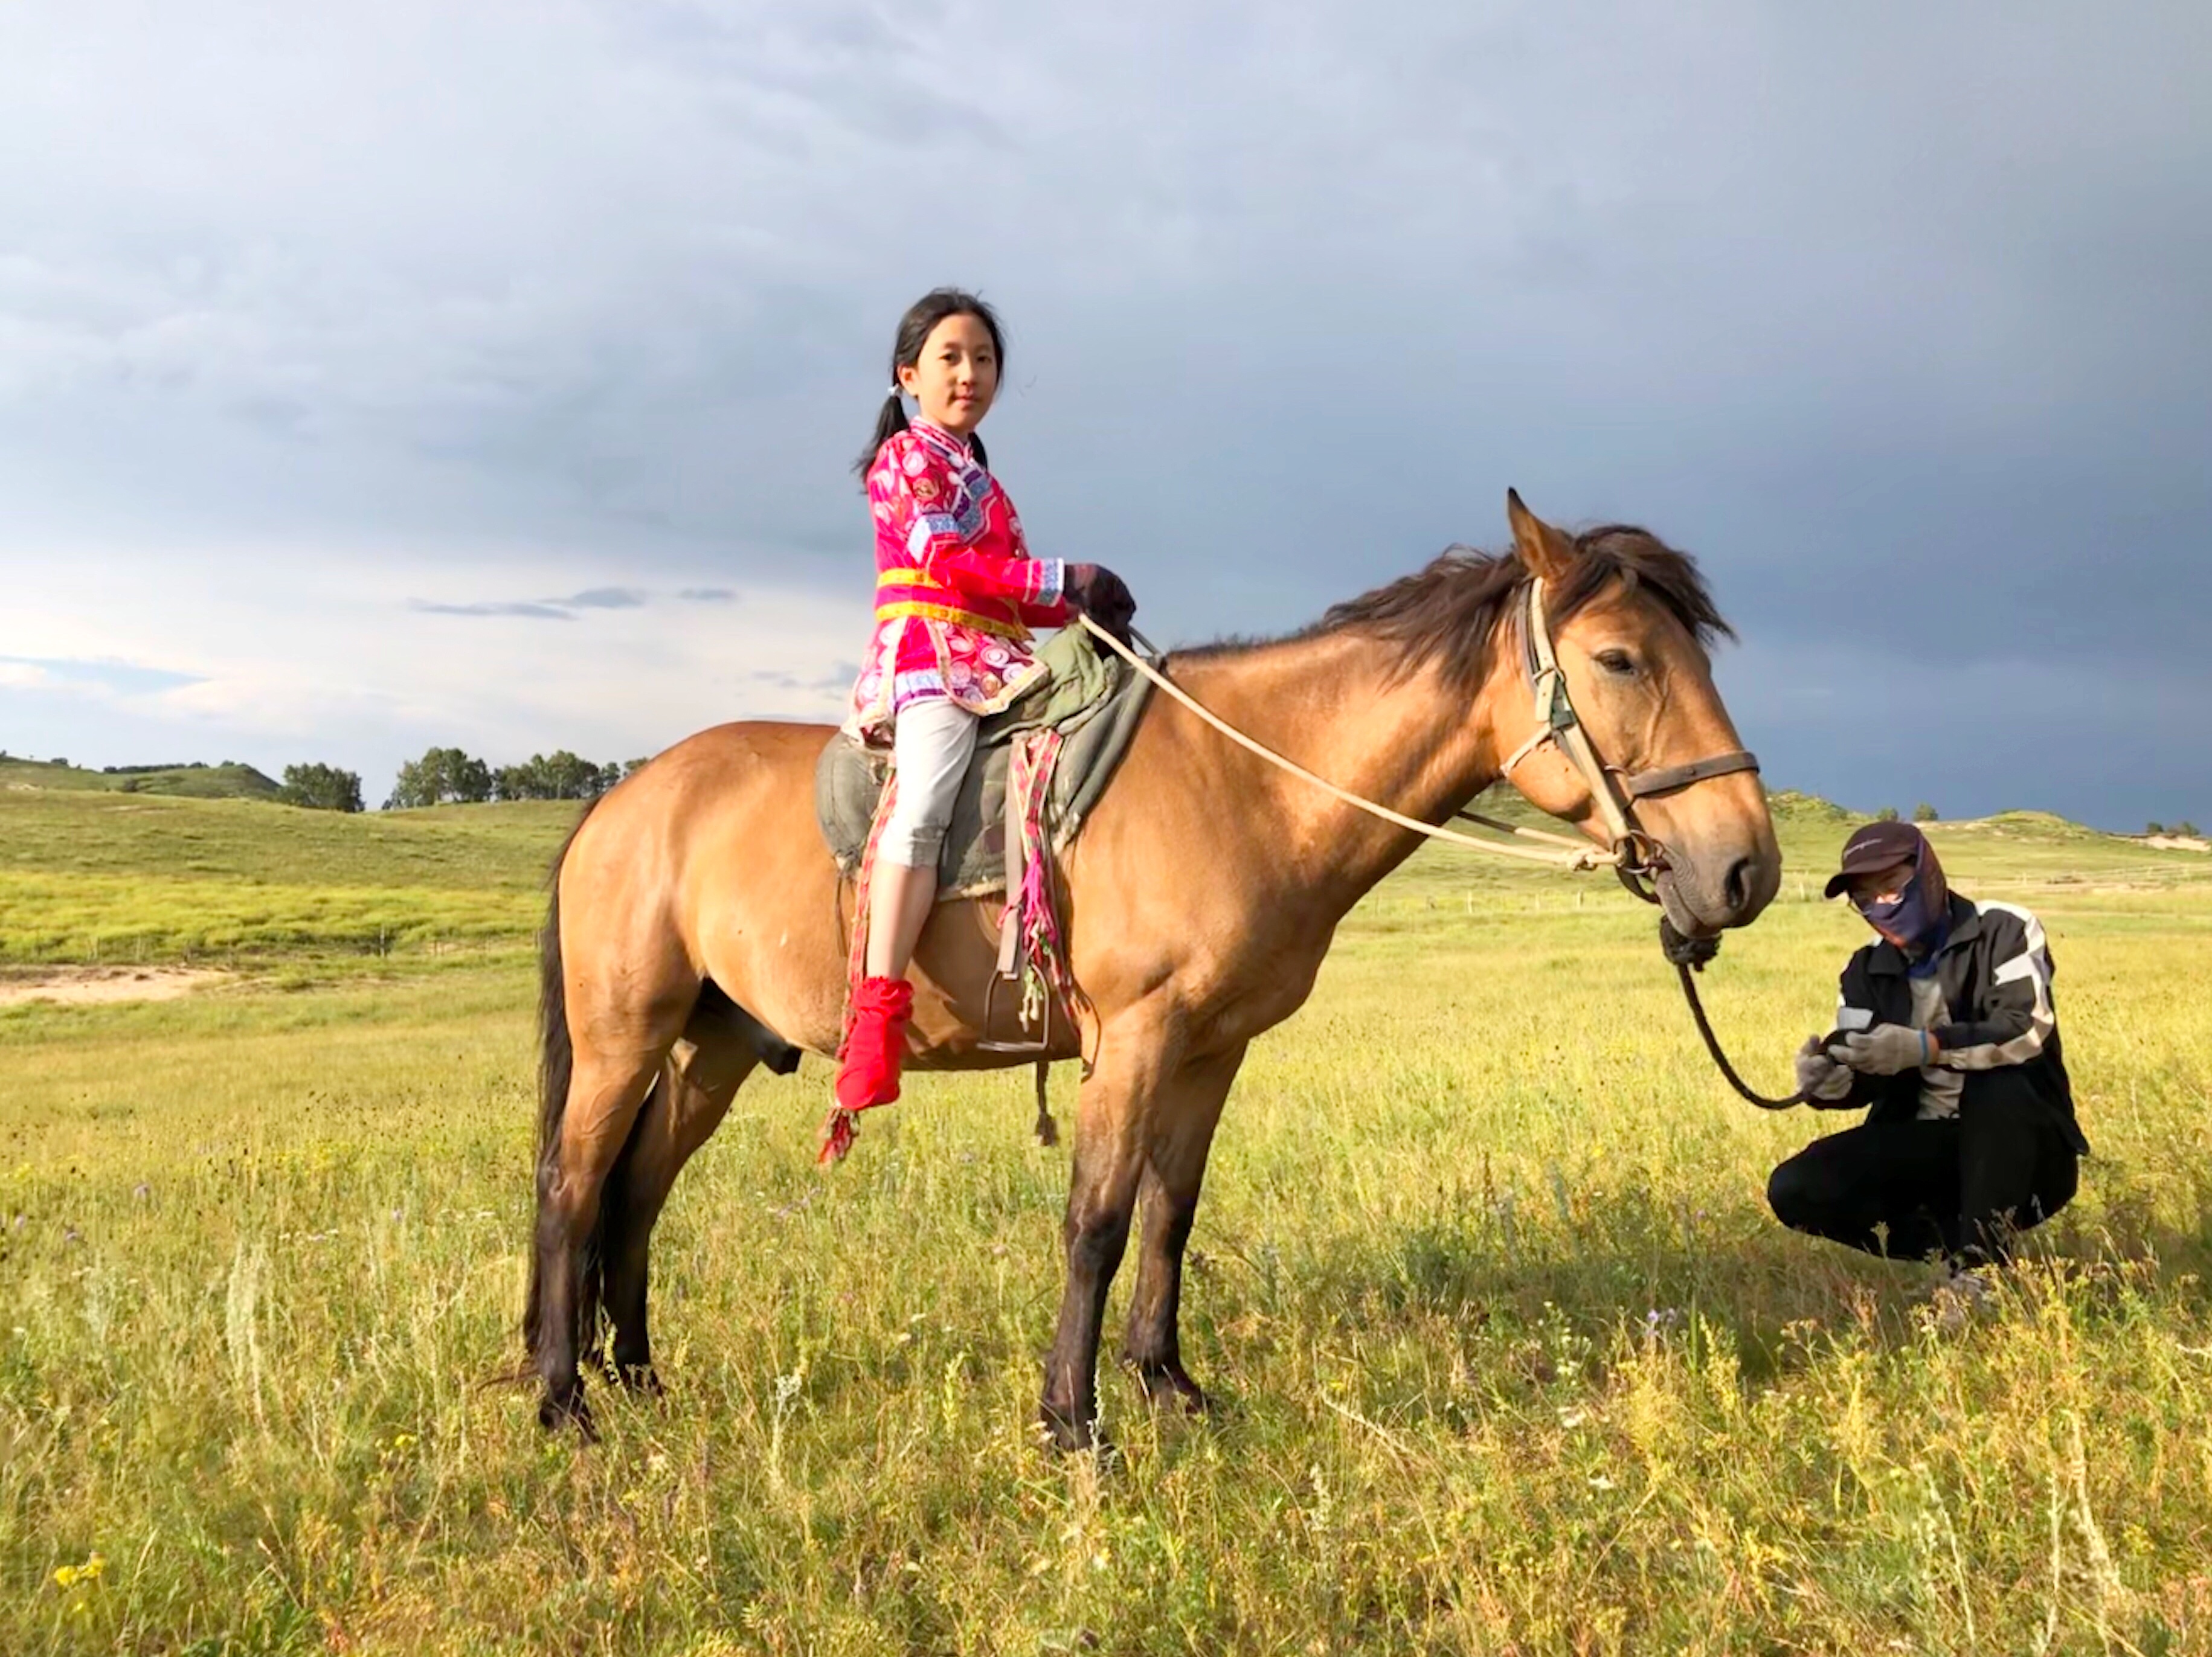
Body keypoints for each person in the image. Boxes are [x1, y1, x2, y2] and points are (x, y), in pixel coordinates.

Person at [833, 289, 1136, 1118]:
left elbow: (1013, 595)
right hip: (930, 654)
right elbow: (945, 564)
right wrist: (1063, 576)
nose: (969, 374)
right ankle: (877, 1008)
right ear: (907, 375)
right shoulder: (902, 460)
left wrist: (1079, 606)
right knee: (925, 803)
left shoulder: (985, 482)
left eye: (984, 359)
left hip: (1000, 659)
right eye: (951, 358)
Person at [1767, 819, 2089, 1275]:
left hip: (2028, 1151)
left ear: (1928, 873)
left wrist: (1927, 1047)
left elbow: (2025, 1031)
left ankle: (1979, 1271)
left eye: (1892, 886)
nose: (1880, 905)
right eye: (1865, 898)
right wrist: (1828, 1080)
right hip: (1926, 1144)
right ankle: (1952, 1254)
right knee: (1794, 1187)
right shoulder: (1865, 967)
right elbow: (1859, 1061)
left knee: (1996, 1083)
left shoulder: (2005, 928)